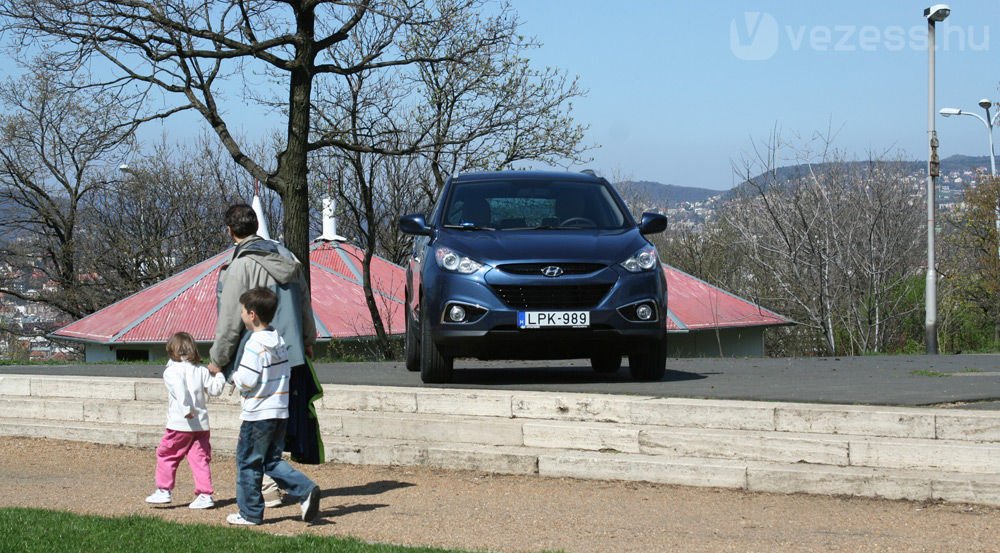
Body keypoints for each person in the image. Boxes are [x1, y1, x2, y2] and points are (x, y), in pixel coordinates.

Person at [207, 203, 323, 506]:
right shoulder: (287, 257)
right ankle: (283, 484)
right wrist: (307, 339)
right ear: (256, 226)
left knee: (257, 423)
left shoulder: (241, 266)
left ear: (230, 231)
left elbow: (231, 317)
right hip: (290, 352)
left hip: (254, 353)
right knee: (279, 420)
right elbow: (304, 303)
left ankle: (268, 490)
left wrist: (218, 358)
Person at [218, 286, 320, 526]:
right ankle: (305, 488)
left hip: (257, 414)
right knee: (270, 461)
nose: (242, 315)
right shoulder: (279, 341)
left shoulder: (255, 344)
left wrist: (234, 377)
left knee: (248, 462)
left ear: (252, 314)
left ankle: (250, 512)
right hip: (279, 411)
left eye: (243, 311)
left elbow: (248, 380)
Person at [145, 332, 226, 509]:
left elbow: (180, 390)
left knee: (167, 455)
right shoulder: (202, 371)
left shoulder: (171, 372)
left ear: (171, 350)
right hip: (201, 425)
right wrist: (219, 374)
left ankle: (164, 490)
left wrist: (186, 409)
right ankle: (205, 494)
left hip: (179, 425)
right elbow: (215, 390)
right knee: (200, 459)